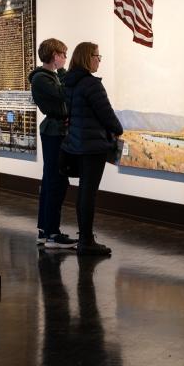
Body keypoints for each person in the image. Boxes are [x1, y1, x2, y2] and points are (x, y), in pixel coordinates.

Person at [61, 42, 123, 255]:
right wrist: (118, 129)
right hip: (92, 147)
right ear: (88, 58)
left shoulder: (69, 82)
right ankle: (86, 241)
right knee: (89, 193)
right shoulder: (91, 84)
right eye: (97, 56)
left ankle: (84, 238)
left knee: (83, 192)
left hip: (76, 145)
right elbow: (107, 114)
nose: (99, 60)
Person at [29, 38, 76, 249]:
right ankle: (52, 234)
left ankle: (45, 230)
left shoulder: (49, 77)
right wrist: (63, 71)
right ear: (55, 55)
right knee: (55, 181)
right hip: (53, 133)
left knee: (52, 180)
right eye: (63, 54)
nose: (65, 58)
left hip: (57, 131)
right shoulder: (41, 78)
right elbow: (64, 93)